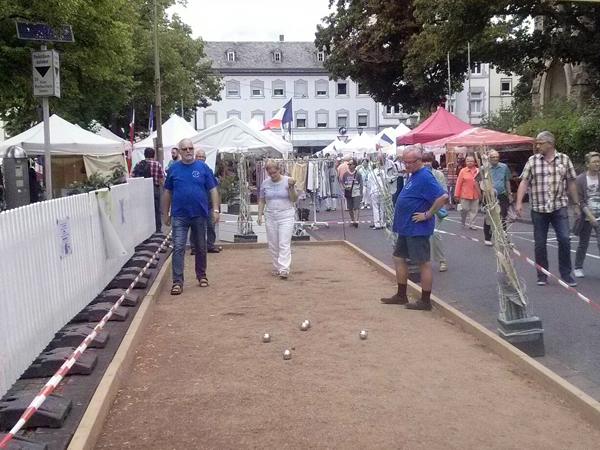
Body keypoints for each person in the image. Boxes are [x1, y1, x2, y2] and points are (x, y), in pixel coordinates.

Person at [381, 146, 448, 311]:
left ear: (419, 160)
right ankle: (401, 294)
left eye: (411, 162)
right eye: (405, 162)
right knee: (398, 257)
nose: (407, 165)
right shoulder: (413, 175)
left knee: (422, 263)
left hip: (417, 227)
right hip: (406, 227)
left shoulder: (425, 176)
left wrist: (427, 214)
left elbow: (443, 196)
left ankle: (425, 300)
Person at [516, 131, 580, 287]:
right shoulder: (532, 161)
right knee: (540, 243)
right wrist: (518, 203)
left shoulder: (564, 160)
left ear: (550, 143)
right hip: (538, 208)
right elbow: (524, 182)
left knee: (565, 239)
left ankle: (566, 274)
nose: (537, 146)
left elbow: (571, 182)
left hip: (559, 207)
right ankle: (542, 274)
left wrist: (577, 204)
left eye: (540, 143)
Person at [162, 139, 219, 295]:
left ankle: (201, 275)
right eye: (184, 149)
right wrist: (165, 213)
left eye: (190, 148)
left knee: (201, 246)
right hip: (179, 215)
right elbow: (167, 192)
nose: (188, 151)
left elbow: (213, 189)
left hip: (199, 214)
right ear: (179, 152)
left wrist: (216, 210)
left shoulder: (203, 167)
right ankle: (177, 282)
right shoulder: (173, 169)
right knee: (179, 247)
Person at [257, 160, 298, 279]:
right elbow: (261, 199)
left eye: (274, 172)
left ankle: (284, 268)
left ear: (279, 170)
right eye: (270, 173)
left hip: (286, 215)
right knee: (273, 243)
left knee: (283, 243)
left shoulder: (288, 180)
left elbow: (294, 199)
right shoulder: (265, 183)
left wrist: (291, 187)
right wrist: (259, 215)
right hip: (270, 215)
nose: (272, 175)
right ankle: (277, 267)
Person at [477, 149, 512, 245]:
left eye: (497, 157)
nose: (495, 158)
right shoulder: (484, 168)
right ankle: (488, 238)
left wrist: (509, 194)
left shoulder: (504, 167)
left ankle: (502, 237)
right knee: (490, 217)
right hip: (489, 196)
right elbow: (477, 180)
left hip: (502, 195)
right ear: (489, 158)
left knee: (503, 216)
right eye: (493, 157)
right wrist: (481, 193)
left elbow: (507, 181)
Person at [573, 151, 600, 278]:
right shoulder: (580, 179)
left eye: (598, 161)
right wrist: (590, 216)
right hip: (586, 216)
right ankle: (578, 267)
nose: (597, 164)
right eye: (594, 162)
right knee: (583, 243)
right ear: (587, 164)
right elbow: (580, 200)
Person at [191, 149, 221, 254]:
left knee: (210, 225)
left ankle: (210, 245)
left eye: (202, 157)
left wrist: (215, 208)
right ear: (195, 157)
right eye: (198, 156)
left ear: (205, 158)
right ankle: (194, 247)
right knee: (195, 226)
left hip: (208, 203)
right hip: (196, 204)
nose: (200, 158)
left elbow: (213, 188)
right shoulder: (190, 170)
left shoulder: (208, 170)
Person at [422, 152, 448, 272]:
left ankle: (441, 260)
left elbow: (444, 193)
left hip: (436, 208)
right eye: (424, 161)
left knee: (436, 235)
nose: (427, 163)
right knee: (422, 236)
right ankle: (423, 261)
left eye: (428, 161)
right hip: (422, 208)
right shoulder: (418, 174)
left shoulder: (438, 174)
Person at [132, 147, 165, 233]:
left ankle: (145, 229)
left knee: (144, 209)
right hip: (154, 188)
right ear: (153, 155)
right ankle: (157, 229)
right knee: (156, 209)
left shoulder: (139, 163)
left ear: (144, 154)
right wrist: (165, 189)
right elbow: (162, 178)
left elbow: (132, 175)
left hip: (142, 189)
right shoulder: (157, 164)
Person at [454, 155, 480, 230]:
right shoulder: (463, 171)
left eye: (472, 161)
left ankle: (472, 224)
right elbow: (458, 183)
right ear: (466, 162)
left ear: (474, 162)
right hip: (465, 194)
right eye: (468, 161)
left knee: (474, 211)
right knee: (464, 209)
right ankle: (463, 220)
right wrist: (456, 195)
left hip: (475, 194)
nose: (470, 163)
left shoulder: (478, 171)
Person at [341, 158, 363, 227]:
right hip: (348, 192)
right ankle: (353, 220)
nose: (348, 166)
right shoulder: (345, 174)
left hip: (356, 192)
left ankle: (356, 221)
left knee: (356, 207)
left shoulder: (358, 174)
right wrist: (345, 186)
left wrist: (361, 193)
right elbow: (342, 183)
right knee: (350, 207)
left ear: (354, 165)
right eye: (348, 164)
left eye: (350, 164)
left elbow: (361, 183)